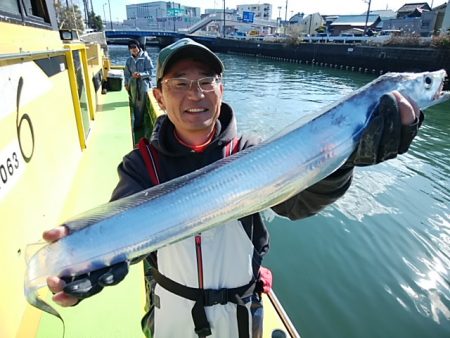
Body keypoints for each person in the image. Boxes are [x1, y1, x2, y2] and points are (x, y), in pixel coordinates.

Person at [44, 38, 423, 338]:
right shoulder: (141, 164)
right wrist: (87, 263)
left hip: (240, 317)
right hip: (171, 314)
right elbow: (126, 227)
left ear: (221, 90)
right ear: (158, 95)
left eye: (206, 81)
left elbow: (299, 203)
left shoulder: (250, 154)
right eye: (180, 83)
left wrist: (341, 164)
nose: (195, 94)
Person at [124, 39, 154, 144]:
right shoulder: (129, 60)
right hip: (133, 86)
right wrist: (126, 83)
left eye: (134, 47)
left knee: (141, 105)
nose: (133, 50)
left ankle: (138, 126)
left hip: (143, 85)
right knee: (135, 104)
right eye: (131, 48)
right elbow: (126, 74)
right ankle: (138, 124)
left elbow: (150, 72)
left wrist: (140, 74)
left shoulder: (146, 58)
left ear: (139, 47)